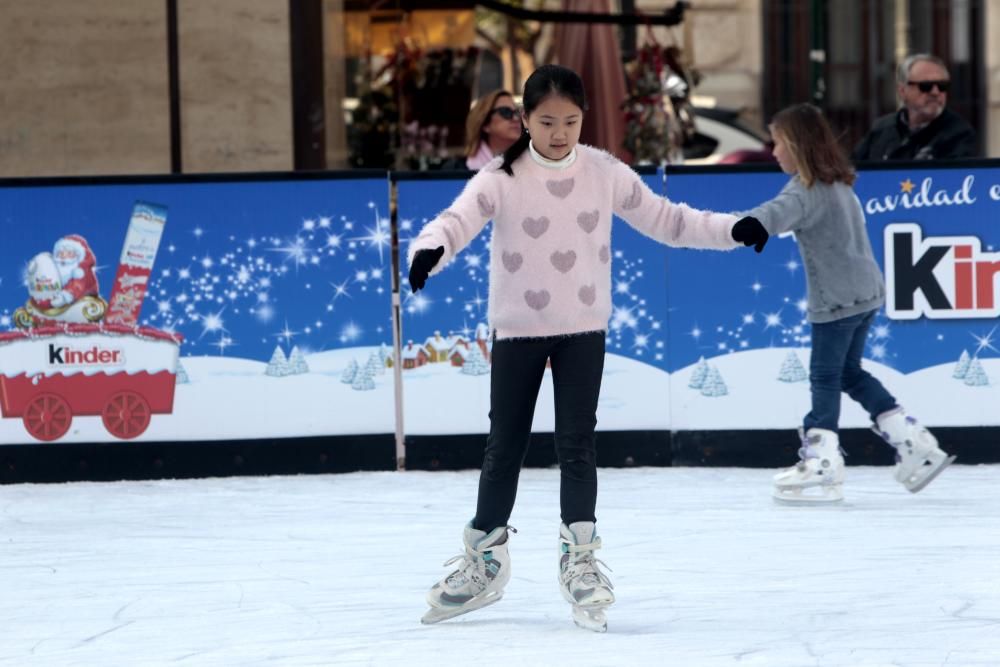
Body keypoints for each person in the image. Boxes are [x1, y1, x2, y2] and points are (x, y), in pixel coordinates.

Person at [408, 64, 769, 631]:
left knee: (577, 442)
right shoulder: (501, 177)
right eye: (546, 121)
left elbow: (668, 220)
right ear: (524, 120)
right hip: (518, 330)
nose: (558, 133)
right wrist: (431, 250)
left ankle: (579, 558)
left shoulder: (603, 171)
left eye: (570, 121)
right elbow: (458, 220)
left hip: (582, 329)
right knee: (505, 443)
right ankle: (485, 559)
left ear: (584, 119)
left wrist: (731, 228)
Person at [742, 103, 955, 504]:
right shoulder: (838, 182)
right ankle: (914, 443)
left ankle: (822, 463)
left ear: (798, 145)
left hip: (837, 301)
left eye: (778, 143)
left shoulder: (804, 191)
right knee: (850, 374)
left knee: (825, 376)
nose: (773, 152)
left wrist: (731, 227)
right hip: (866, 294)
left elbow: (770, 216)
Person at [852, 54, 977, 161]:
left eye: (942, 86)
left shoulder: (959, 133)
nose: (935, 92)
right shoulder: (882, 129)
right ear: (902, 91)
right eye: (925, 86)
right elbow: (853, 168)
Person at [462, 89, 524, 170]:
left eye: (517, 112)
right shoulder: (456, 171)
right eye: (505, 112)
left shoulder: (536, 163)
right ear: (485, 124)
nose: (516, 119)